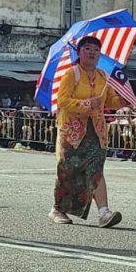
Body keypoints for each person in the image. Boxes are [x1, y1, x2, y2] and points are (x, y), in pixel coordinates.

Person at [49, 35, 126, 228]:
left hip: (96, 131)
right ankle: (58, 208)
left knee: (96, 170)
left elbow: (109, 101)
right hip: (72, 132)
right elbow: (63, 101)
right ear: (79, 52)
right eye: (87, 49)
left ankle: (104, 212)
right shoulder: (71, 74)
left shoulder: (103, 76)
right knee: (68, 171)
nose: (92, 53)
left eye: (96, 49)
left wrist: (122, 101)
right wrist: (85, 104)